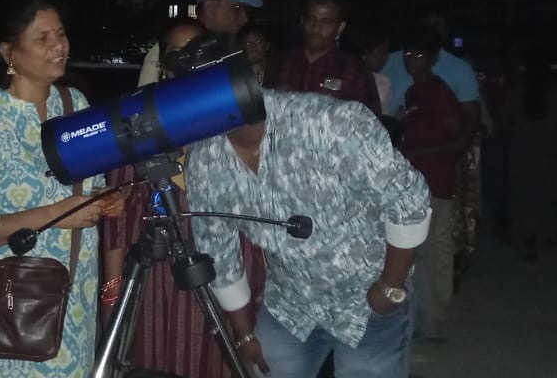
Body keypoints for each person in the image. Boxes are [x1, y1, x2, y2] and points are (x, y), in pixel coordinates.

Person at [183, 34, 432, 378]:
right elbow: (217, 249)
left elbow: (410, 199)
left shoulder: (330, 123)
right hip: (291, 306)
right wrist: (243, 334)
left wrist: (391, 286)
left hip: (365, 301)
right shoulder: (204, 159)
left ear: (248, 76)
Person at [0, 0, 116, 377]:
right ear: (9, 53)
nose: (59, 46)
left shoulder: (76, 105)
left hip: (72, 299)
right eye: (43, 38)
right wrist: (56, 215)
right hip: (9, 305)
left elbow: (94, 184)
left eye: (62, 34)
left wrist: (105, 200)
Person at [100, 18, 267, 378]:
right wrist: (112, 296)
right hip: (158, 272)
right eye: (178, 55)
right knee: (159, 360)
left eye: (196, 54)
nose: (188, 64)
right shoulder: (138, 119)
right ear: (162, 65)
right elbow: (117, 218)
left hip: (226, 263)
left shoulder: (230, 112)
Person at [399, 26, 465, 342]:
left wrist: (418, 152)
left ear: (434, 58)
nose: (412, 60)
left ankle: (430, 322)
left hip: (435, 183)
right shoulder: (413, 93)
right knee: (428, 255)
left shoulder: (438, 93)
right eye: (408, 54)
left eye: (420, 54)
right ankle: (431, 320)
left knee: (427, 255)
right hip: (417, 183)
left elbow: (458, 140)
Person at [501, 51, 557, 263]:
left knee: (524, 198)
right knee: (547, 196)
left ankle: (529, 242)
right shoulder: (556, 93)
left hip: (522, 152)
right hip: (548, 152)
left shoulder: (517, 92)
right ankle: (550, 236)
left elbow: (504, 122)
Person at [265, 0, 382, 115]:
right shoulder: (280, 61)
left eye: (325, 22)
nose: (316, 28)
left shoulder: (356, 70)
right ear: (302, 21)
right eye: (311, 19)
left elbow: (372, 121)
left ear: (340, 27)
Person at [137, 0, 262, 86]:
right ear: (210, 7)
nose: (245, 18)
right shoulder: (173, 46)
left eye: (246, 10)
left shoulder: (226, 50)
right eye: (237, 7)